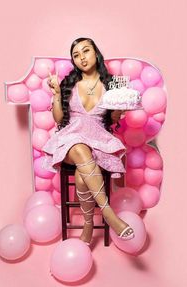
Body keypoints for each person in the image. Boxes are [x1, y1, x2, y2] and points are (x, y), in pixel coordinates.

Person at [42, 37, 135, 246]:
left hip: (98, 140)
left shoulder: (111, 85)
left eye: (86, 51)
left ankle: (88, 225)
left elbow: (112, 119)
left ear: (96, 53)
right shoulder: (69, 83)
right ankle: (109, 214)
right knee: (78, 146)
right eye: (76, 55)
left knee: (83, 174)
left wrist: (120, 106)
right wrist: (57, 93)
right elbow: (58, 119)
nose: (82, 57)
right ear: (73, 61)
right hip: (69, 140)